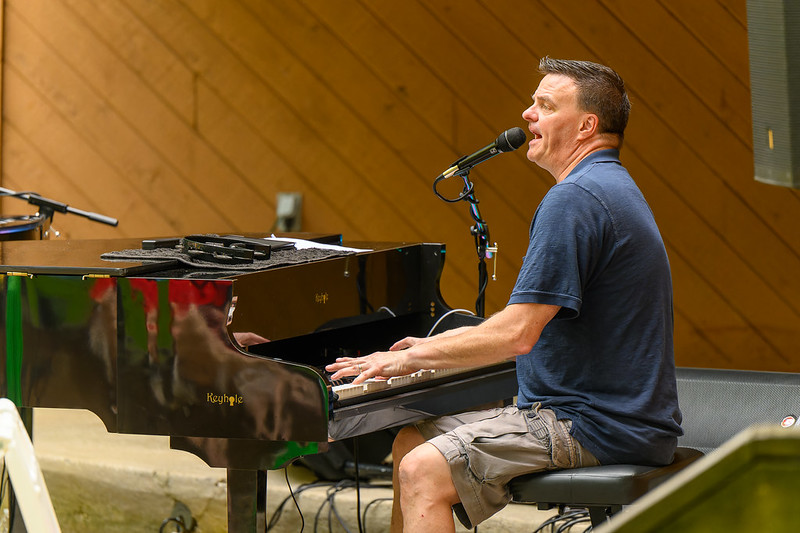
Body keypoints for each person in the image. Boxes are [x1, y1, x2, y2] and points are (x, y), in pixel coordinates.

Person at [326, 57, 683, 533]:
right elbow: (525, 318)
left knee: (422, 470)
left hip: (594, 425)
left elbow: (518, 335)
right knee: (409, 444)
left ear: (586, 125)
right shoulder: (609, 186)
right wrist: (426, 350)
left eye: (545, 105)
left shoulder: (575, 199)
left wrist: (403, 363)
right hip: (612, 419)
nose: (527, 114)